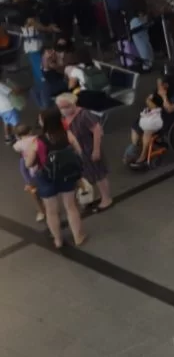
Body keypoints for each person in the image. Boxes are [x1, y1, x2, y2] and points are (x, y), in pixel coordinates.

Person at [29, 107, 87, 249]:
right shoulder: (68, 135)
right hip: (67, 175)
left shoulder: (38, 141)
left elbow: (28, 163)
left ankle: (58, 240)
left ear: (45, 122)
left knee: (51, 211)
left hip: (46, 177)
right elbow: (79, 151)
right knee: (71, 207)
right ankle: (78, 236)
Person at [56, 93, 111, 211]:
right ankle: (97, 195)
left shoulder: (84, 114)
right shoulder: (64, 117)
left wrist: (96, 150)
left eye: (66, 106)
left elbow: (97, 131)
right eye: (61, 107)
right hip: (78, 150)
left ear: (73, 103)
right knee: (87, 175)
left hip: (89, 147)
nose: (64, 110)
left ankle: (106, 198)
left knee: (99, 175)